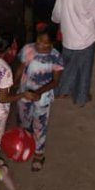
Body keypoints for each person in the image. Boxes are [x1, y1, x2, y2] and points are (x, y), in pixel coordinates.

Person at [15, 22, 64, 172]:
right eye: (38, 41)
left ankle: (38, 153)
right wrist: (12, 85)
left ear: (53, 43)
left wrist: (38, 92)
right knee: (23, 121)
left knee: (39, 125)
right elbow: (20, 69)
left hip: (42, 98)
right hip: (24, 93)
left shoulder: (56, 57)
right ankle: (24, 144)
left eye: (45, 43)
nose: (40, 45)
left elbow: (55, 81)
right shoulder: (28, 49)